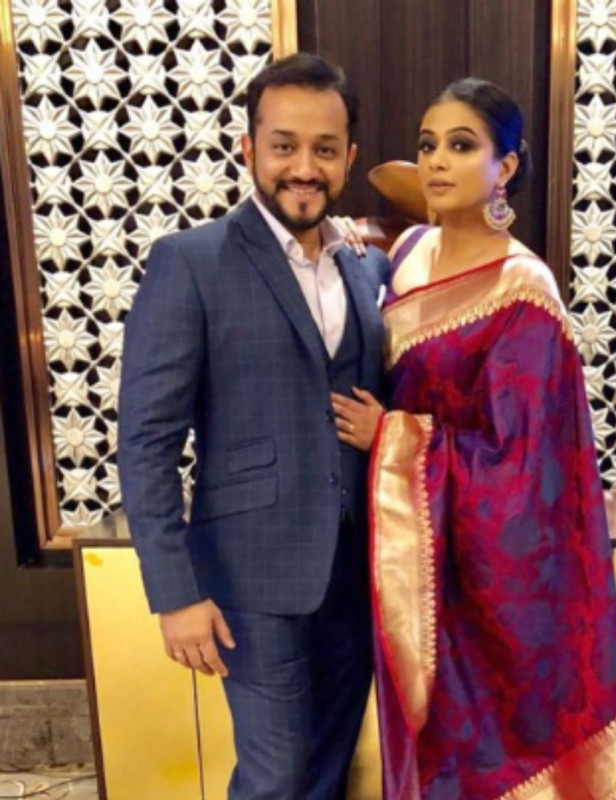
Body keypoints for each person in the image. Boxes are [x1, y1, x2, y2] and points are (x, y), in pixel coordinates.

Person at [332, 78, 616, 799]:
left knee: (477, 756)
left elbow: (525, 467)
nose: (436, 160)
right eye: (427, 144)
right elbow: (382, 199)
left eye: (461, 144)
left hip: (481, 581)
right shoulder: (408, 249)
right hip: (406, 557)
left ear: (504, 166)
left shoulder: (522, 292)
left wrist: (394, 436)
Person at [118, 53, 389, 800]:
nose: (304, 167)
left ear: (349, 157)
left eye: (324, 149)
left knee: (330, 768)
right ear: (248, 149)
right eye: (283, 146)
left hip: (359, 573)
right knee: (276, 777)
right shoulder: (190, 262)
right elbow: (146, 443)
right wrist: (174, 593)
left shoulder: (367, 268)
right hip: (251, 577)